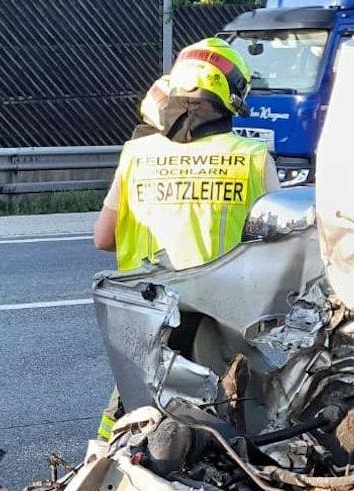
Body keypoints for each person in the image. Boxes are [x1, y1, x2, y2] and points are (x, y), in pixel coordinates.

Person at [92, 38, 278, 440]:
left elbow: (103, 238)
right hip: (221, 327)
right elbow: (276, 249)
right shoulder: (252, 157)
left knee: (125, 426)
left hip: (146, 324)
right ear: (229, 95)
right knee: (238, 433)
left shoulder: (137, 154)